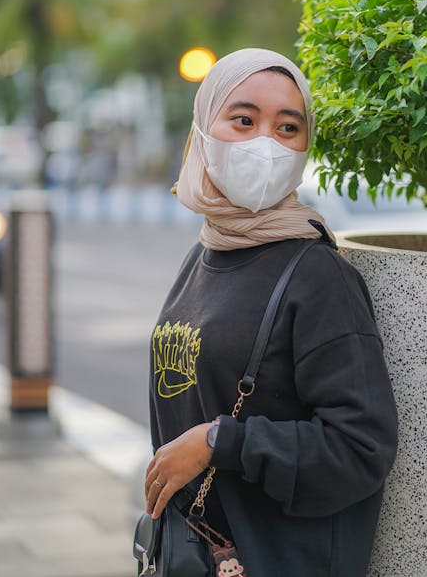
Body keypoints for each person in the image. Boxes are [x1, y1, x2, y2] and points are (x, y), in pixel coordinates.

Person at [144, 48, 398, 577]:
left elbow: (360, 448)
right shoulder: (208, 252)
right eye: (243, 119)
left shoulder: (318, 276)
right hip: (194, 554)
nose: (265, 142)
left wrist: (221, 443)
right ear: (204, 127)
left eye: (288, 127)